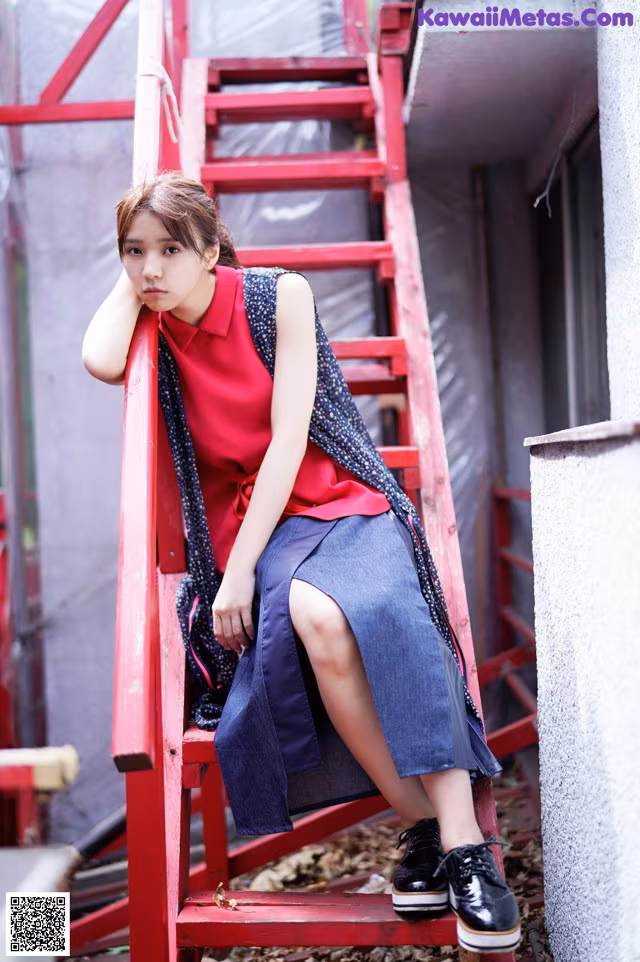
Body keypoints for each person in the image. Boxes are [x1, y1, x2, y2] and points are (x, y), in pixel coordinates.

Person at [82, 172, 521, 954]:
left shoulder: (276, 296)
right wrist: (143, 261)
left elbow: (290, 439)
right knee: (316, 624)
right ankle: (422, 826)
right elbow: (96, 358)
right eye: (133, 253)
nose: (149, 269)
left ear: (212, 250)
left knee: (371, 612)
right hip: (256, 530)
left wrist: (243, 567)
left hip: (338, 498)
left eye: (171, 250)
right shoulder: (152, 329)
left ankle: (464, 849)